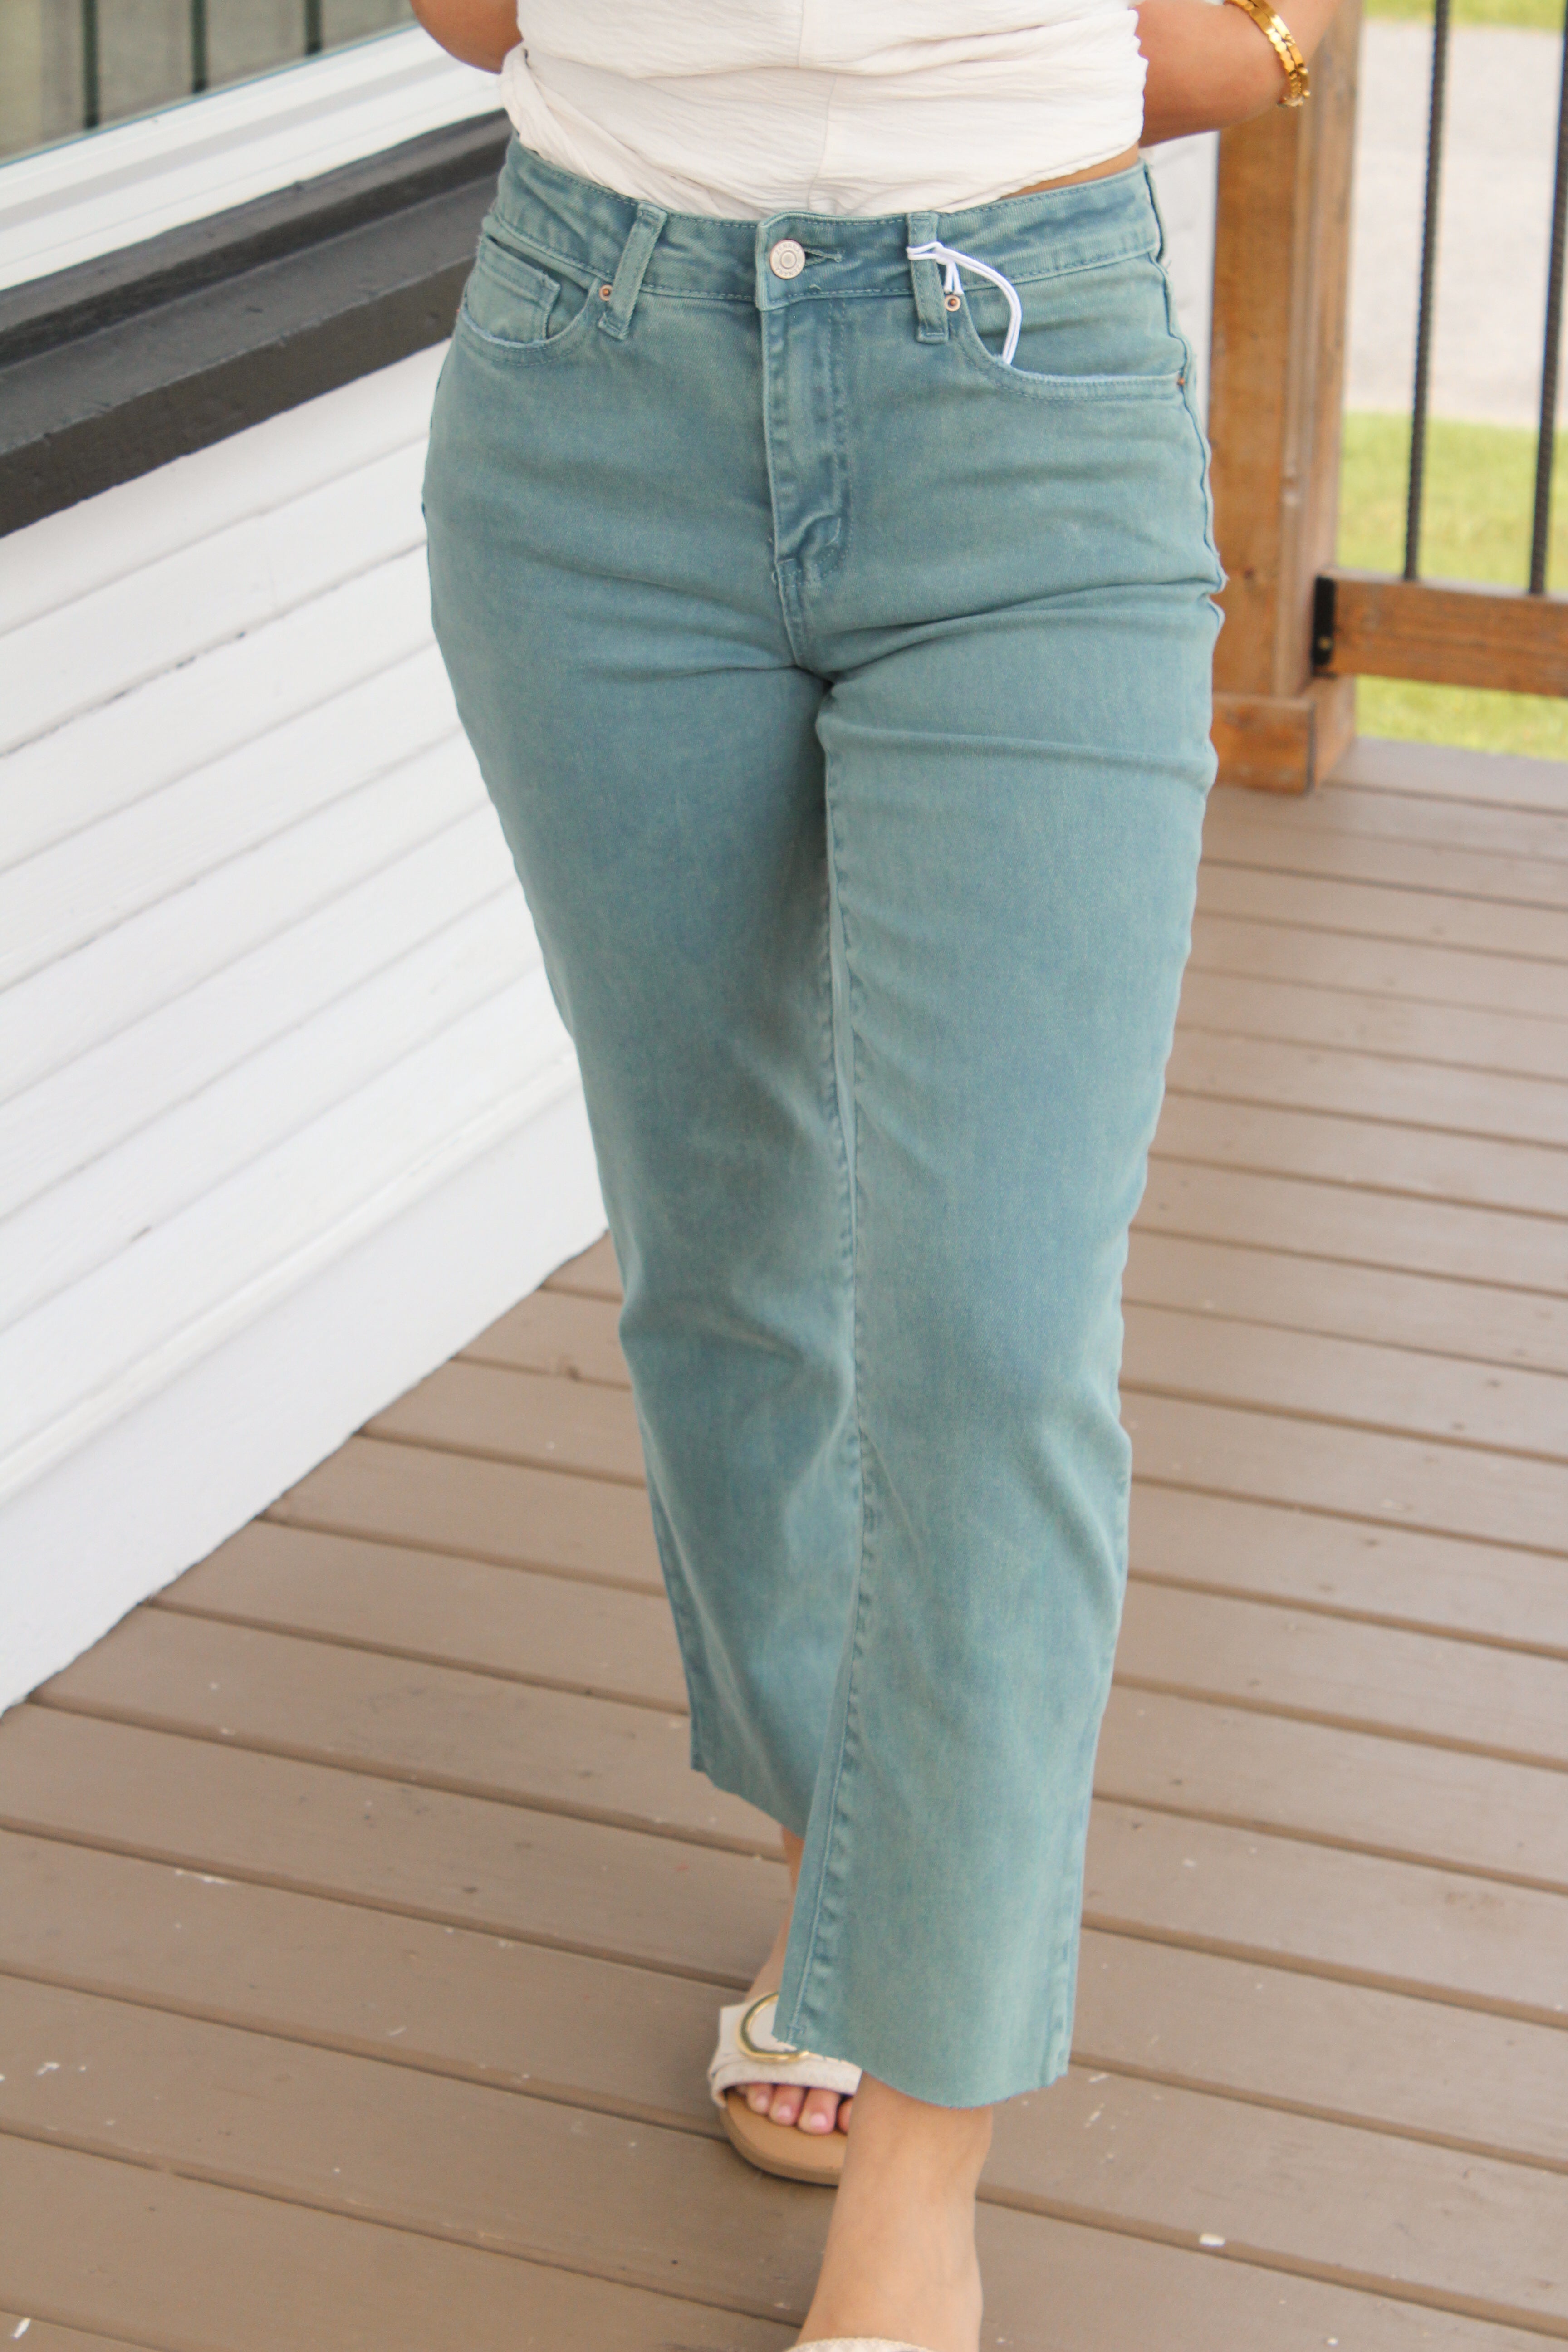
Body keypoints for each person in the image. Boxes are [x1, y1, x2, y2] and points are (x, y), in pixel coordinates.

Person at [410, 5, 1339, 2346]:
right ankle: (843, 1865)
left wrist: (1232, 38)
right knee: (722, 1247)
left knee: (999, 1337)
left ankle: (921, 2177)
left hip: (1025, 382)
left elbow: (1240, 43)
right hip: (592, 382)